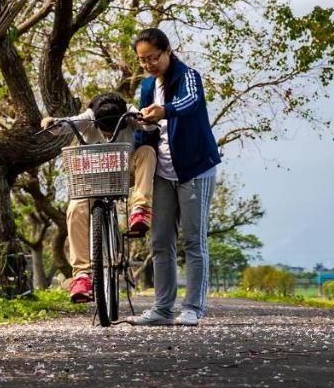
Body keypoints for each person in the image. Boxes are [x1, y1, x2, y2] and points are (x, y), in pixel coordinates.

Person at [128, 28, 222, 327]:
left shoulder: (188, 77)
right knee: (160, 241)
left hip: (195, 169)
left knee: (193, 240)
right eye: (142, 60)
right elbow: (146, 131)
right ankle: (162, 308)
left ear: (167, 50)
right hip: (162, 172)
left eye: (153, 58)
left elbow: (191, 103)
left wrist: (164, 110)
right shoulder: (146, 87)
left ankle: (192, 307)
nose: (148, 65)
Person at [43, 92, 156, 304]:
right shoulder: (88, 117)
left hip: (124, 175)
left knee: (147, 152)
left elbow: (148, 126)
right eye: (104, 131)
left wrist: (148, 118)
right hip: (92, 180)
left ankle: (140, 209)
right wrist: (51, 123)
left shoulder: (129, 114)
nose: (107, 136)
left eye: (113, 132)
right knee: (75, 208)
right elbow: (62, 126)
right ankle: (82, 276)